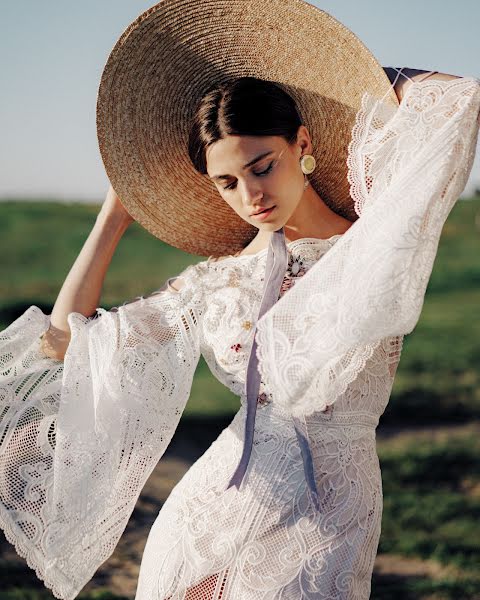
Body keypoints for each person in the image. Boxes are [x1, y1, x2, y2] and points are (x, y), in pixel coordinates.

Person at [1, 1, 479, 598]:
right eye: (227, 182)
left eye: (262, 166)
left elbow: (457, 99)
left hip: (331, 510)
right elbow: (66, 340)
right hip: (208, 513)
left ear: (302, 143)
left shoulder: (374, 239)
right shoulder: (213, 282)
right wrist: (114, 215)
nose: (251, 194)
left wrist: (346, 82)